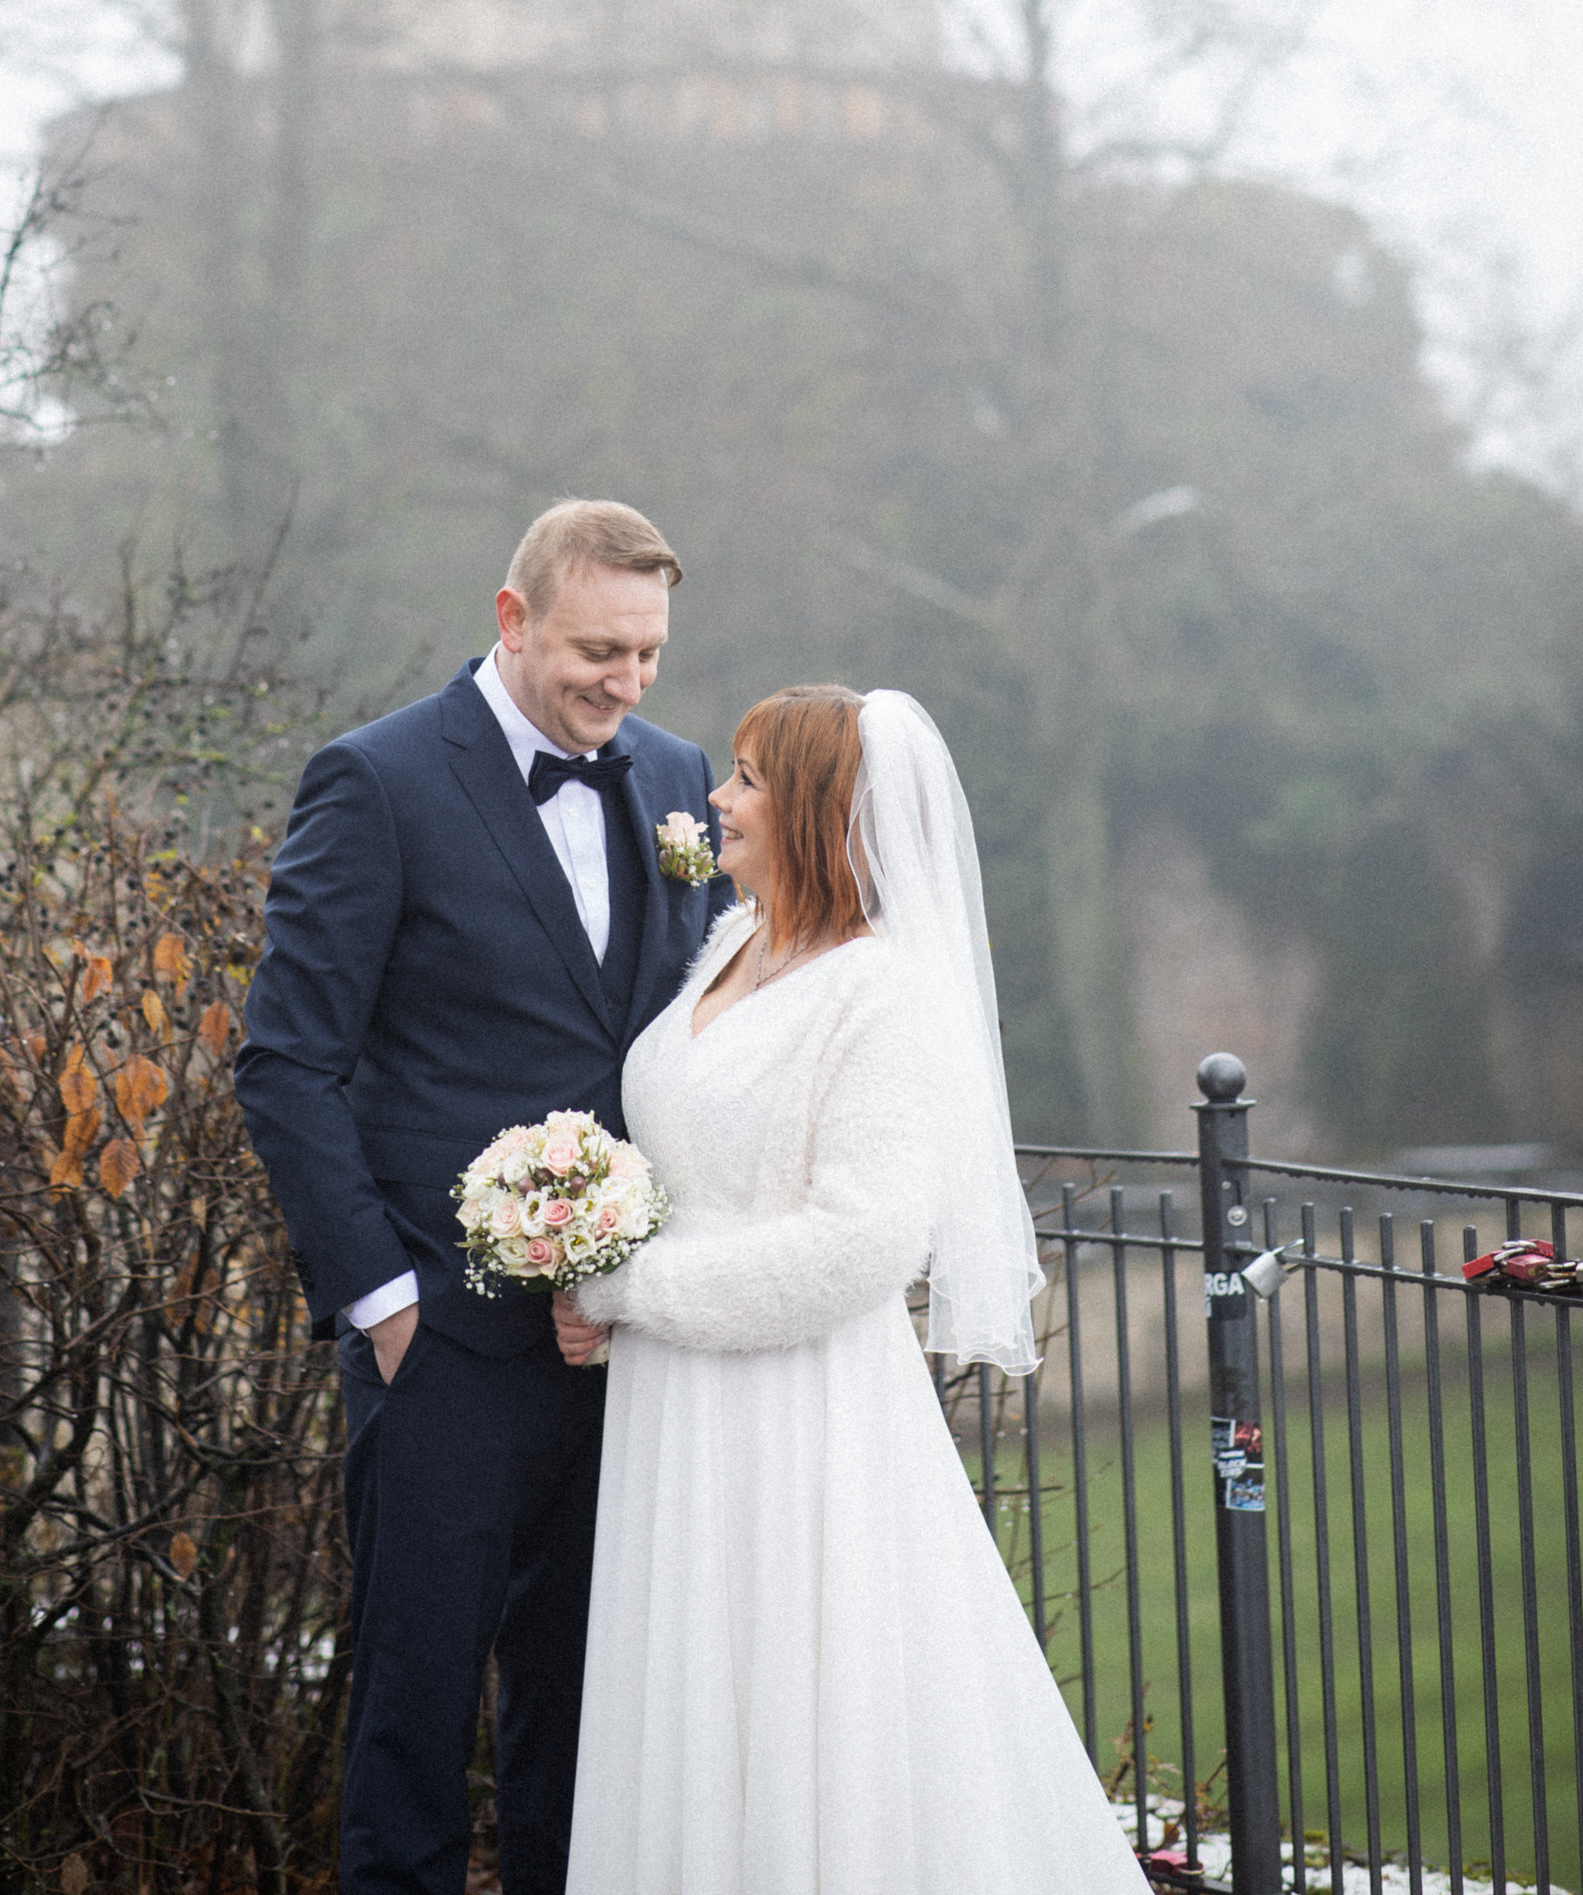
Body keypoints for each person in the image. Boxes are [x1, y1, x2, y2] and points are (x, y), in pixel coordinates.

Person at [552, 684, 1149, 1894]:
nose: (716, 798)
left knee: (804, 1717)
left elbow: (860, 1247)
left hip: (798, 1420)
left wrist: (627, 1286)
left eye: (751, 779)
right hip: (674, 1413)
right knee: (691, 1717)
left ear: (823, 813)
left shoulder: (886, 994)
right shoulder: (733, 939)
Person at [234, 501, 729, 1895]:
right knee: (414, 1715)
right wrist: (383, 1304)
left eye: (646, 654)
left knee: (591, 1720)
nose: (625, 685)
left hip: (627, 1350)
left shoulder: (679, 778)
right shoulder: (378, 781)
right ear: (512, 620)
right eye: (595, 651)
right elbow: (286, 1064)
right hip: (440, 1346)